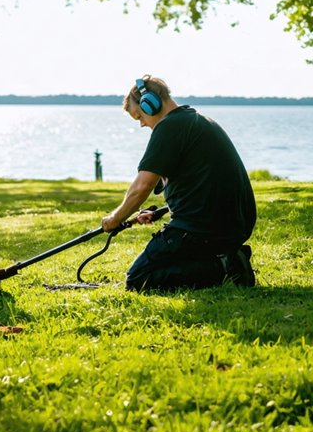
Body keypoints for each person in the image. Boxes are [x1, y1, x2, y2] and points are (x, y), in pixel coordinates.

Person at [101, 75, 257, 291]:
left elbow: (141, 187)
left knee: (139, 280)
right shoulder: (195, 120)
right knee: (166, 266)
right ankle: (226, 259)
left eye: (139, 116)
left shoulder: (170, 126)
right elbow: (202, 186)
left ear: (151, 104)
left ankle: (226, 268)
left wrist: (114, 219)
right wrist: (159, 212)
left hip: (201, 230)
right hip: (230, 228)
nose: (142, 124)